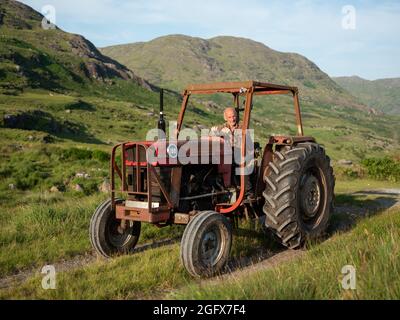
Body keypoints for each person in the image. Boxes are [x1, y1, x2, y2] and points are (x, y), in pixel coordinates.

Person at [210, 107, 255, 201]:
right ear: (226, 118)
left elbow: (249, 146)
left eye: (233, 116)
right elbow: (211, 134)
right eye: (229, 117)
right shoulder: (222, 128)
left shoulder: (243, 128)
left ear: (236, 116)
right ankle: (221, 189)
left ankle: (249, 192)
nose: (232, 119)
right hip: (227, 154)